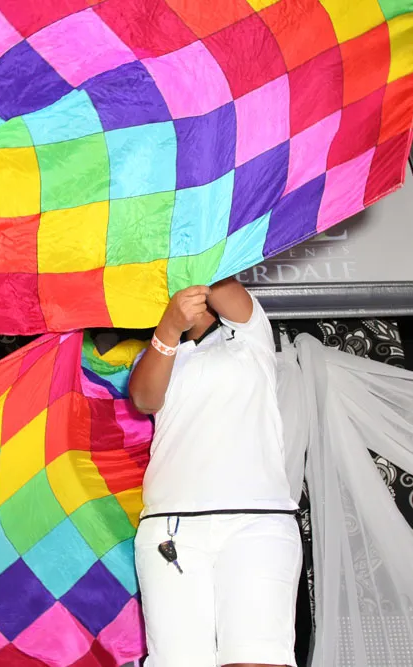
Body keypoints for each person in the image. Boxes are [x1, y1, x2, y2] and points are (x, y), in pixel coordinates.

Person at [128, 277, 301, 667]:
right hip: (171, 529)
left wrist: (181, 253)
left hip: (257, 523)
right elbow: (144, 399)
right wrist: (168, 327)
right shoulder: (158, 352)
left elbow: (217, 275)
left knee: (257, 659)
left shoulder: (249, 334)